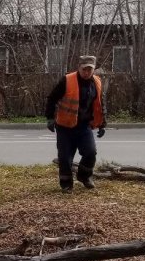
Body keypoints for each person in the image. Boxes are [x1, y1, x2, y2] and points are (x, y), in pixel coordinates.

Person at [45, 55, 107, 193]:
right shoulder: (67, 80)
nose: (87, 72)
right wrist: (50, 118)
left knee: (90, 152)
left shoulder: (96, 82)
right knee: (65, 157)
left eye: (89, 69)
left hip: (84, 126)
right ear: (79, 67)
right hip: (65, 126)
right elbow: (52, 98)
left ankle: (84, 177)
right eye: (84, 69)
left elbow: (101, 104)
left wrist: (102, 123)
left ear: (93, 70)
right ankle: (66, 184)